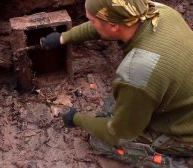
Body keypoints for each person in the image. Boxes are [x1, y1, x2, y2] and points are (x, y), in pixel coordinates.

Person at [40, 0, 193, 167]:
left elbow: (117, 133)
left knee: (99, 141)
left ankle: (177, 163)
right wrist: (64, 37)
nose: (91, 24)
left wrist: (76, 119)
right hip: (180, 97)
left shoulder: (138, 70)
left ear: (113, 26)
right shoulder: (159, 12)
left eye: (92, 21)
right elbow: (105, 25)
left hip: (185, 133)